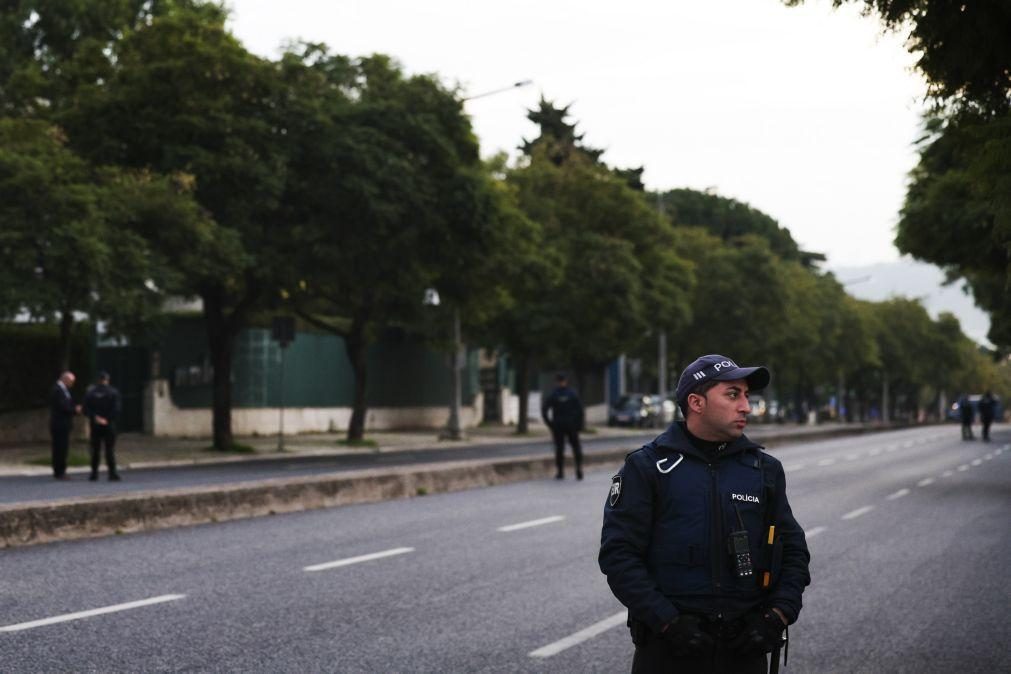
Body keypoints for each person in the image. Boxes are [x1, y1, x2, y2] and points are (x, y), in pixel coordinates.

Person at [600, 354, 810, 674]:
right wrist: (669, 623)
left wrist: (776, 616)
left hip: (745, 648)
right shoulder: (647, 468)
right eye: (732, 394)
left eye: (746, 396)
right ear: (696, 402)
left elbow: (795, 551)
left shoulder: (764, 470)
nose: (745, 407)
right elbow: (619, 556)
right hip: (668, 651)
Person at [541, 373, 585, 480]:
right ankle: (578, 470)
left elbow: (544, 410)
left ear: (557, 382)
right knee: (575, 448)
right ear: (566, 381)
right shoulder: (572, 393)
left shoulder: (554, 394)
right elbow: (580, 411)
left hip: (559, 425)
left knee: (560, 449)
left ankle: (561, 472)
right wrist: (579, 425)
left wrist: (550, 424)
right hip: (570, 425)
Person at [82, 371, 122, 481]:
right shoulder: (113, 392)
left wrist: (95, 417)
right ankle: (112, 473)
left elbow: (85, 409)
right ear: (107, 380)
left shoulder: (91, 393)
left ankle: (94, 473)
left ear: (98, 380)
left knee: (95, 449)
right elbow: (117, 409)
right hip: (109, 425)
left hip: (95, 425)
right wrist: (107, 419)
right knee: (110, 449)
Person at [49, 371, 78, 480]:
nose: (72, 384)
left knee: (62, 448)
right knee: (60, 448)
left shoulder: (63, 390)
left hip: (63, 424)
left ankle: (60, 470)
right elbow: (63, 407)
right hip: (60, 424)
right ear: (65, 379)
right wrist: (74, 410)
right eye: (71, 381)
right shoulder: (58, 390)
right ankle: (59, 471)